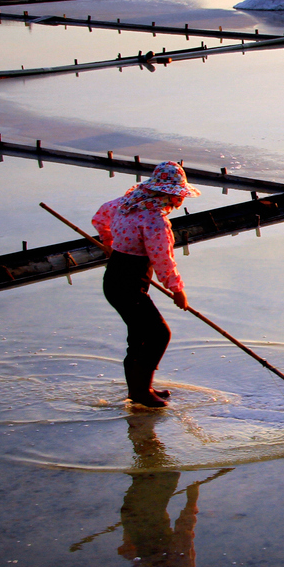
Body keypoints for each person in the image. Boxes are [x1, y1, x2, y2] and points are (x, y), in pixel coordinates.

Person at [91, 161, 200, 408]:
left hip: (116, 278)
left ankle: (141, 388)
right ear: (166, 193)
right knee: (158, 334)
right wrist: (177, 289)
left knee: (139, 335)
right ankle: (140, 393)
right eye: (178, 197)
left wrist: (109, 242)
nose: (179, 202)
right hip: (129, 281)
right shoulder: (155, 220)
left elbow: (99, 218)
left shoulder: (125, 203)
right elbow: (162, 259)